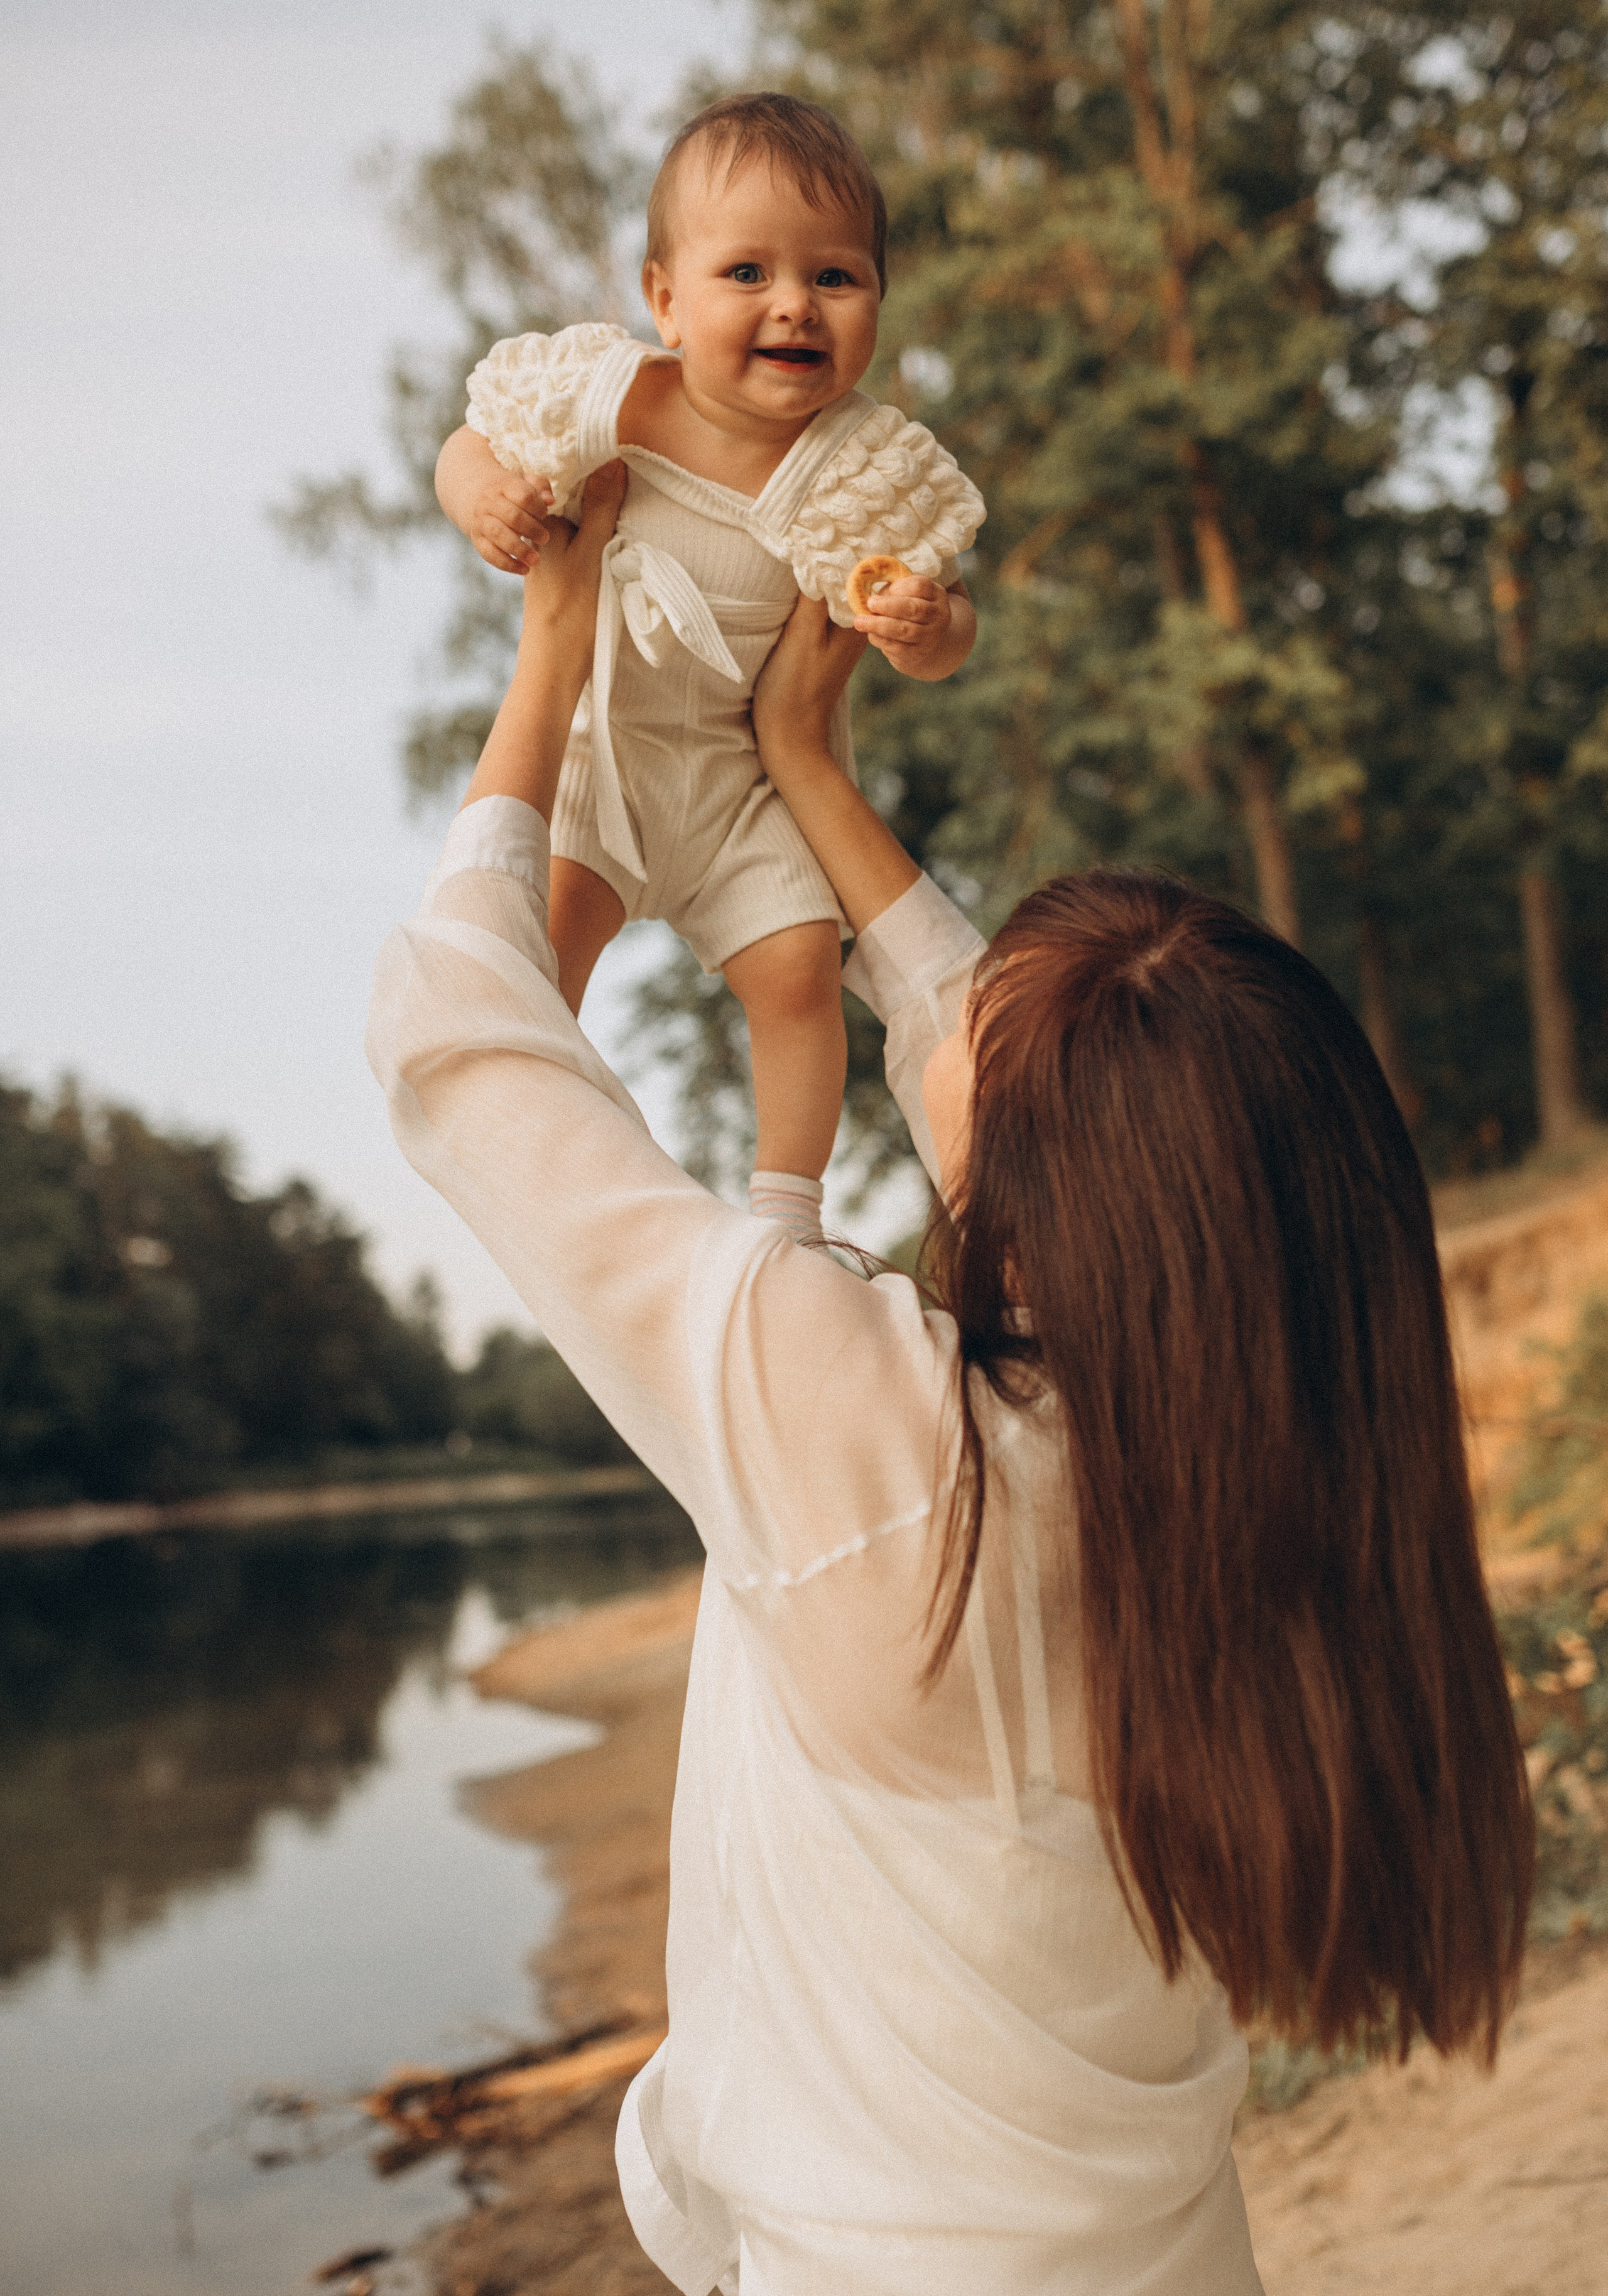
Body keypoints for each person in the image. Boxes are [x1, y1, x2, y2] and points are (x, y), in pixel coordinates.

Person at [367, 474, 1535, 2296]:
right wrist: (810, 769)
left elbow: (462, 1041)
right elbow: (1040, 1092)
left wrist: (551, 664)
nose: (941, 1042)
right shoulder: (1284, 1482)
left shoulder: (879, 1445)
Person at [433, 91, 984, 1248]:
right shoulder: (608, 400)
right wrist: (478, 494)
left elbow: (950, 636)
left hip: (747, 790)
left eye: (838, 277)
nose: (796, 303)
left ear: (878, 301)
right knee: (546, 942)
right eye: (749, 273)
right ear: (664, 300)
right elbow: (475, 436)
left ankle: (789, 1211)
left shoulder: (857, 469)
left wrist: (927, 631)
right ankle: (549, 1164)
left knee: (795, 975)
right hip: (606, 755)